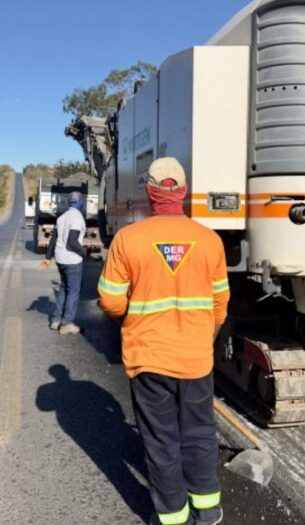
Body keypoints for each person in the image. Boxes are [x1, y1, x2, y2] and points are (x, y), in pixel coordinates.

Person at [97, 158, 229, 525]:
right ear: (183, 192)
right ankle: (208, 509)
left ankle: (173, 517)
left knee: (161, 438)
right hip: (195, 358)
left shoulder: (128, 239)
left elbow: (109, 299)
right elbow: (220, 303)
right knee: (200, 432)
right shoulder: (209, 240)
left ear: (151, 193)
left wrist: (133, 316)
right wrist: (207, 333)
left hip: (149, 357)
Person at [41, 191, 87, 335]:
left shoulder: (61, 217)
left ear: (69, 202)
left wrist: (48, 258)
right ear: (81, 203)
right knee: (73, 291)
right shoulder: (78, 217)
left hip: (60, 259)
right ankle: (66, 323)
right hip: (72, 260)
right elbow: (72, 242)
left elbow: (53, 240)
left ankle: (56, 320)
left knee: (63, 289)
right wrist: (85, 252)